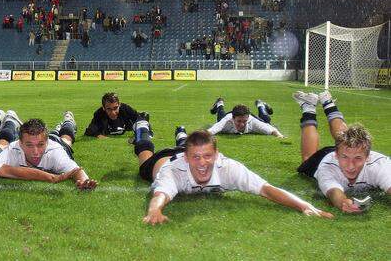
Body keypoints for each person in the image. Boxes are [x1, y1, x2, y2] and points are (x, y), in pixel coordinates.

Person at [128, 115, 332, 225]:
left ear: (217, 155)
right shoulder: (174, 171)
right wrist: (155, 210)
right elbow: (161, 194)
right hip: (162, 161)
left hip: (186, 148)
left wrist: (304, 205)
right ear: (186, 158)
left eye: (208, 156)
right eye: (196, 158)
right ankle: (142, 126)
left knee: (188, 143)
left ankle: (182, 134)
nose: (202, 163)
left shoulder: (228, 168)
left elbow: (266, 189)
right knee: (144, 154)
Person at [293, 90, 390, 212]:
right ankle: (308, 107)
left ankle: (328, 103)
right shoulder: (327, 167)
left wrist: (346, 156)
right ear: (336, 156)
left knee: (343, 137)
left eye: (358, 159)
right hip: (324, 158)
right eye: (344, 158)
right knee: (308, 158)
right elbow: (333, 192)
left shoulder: (380, 165)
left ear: (368, 157)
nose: (350, 166)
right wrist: (343, 203)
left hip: (346, 150)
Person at [0, 110, 97, 190]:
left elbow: (76, 170)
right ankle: (56, 128)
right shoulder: (13, 149)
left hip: (56, 142)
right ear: (20, 143)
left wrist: (84, 181)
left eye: (40, 145)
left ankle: (68, 120)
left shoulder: (55, 151)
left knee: (66, 140)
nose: (35, 151)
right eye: (29, 145)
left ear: (46, 143)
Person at [207, 97, 284, 138]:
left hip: (249, 115)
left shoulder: (253, 122)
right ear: (233, 119)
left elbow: (272, 130)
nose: (242, 124)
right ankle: (220, 103)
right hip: (228, 116)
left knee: (267, 122)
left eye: (244, 121)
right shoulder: (227, 121)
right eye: (239, 121)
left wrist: (279, 135)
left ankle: (260, 104)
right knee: (220, 119)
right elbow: (211, 131)